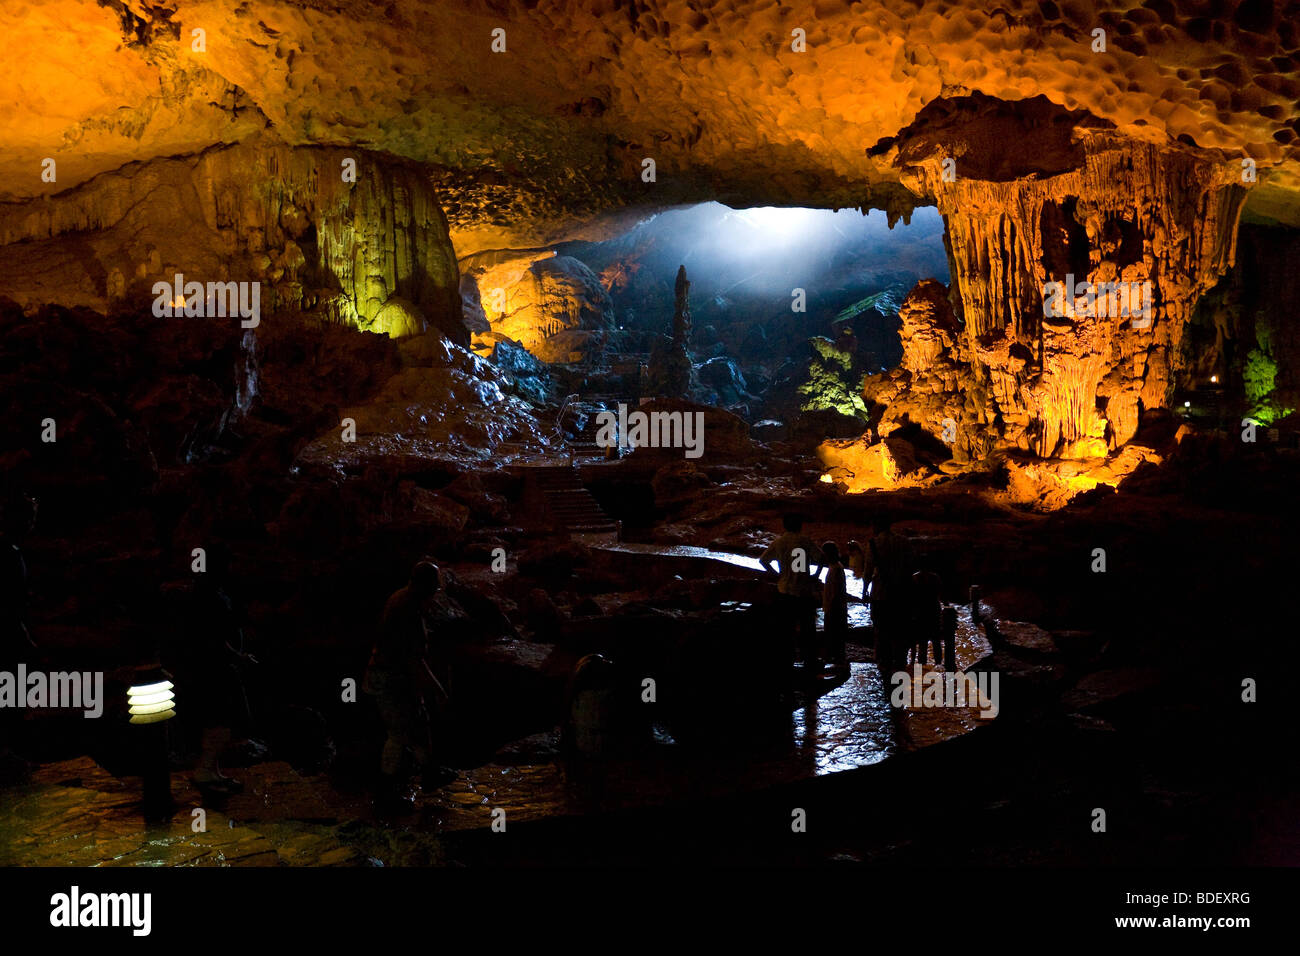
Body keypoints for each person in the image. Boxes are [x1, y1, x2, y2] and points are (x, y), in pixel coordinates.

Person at [363, 560, 456, 811]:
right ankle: (385, 793)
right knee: (398, 734)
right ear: (426, 586)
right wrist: (437, 689)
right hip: (389, 679)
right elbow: (413, 659)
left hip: (394, 676)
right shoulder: (407, 609)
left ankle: (429, 772)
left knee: (418, 722)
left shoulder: (403, 598)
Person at [183, 543, 256, 796]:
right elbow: (212, 637)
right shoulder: (208, 595)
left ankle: (212, 771)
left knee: (218, 721)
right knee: (222, 721)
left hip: (213, 666)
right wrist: (238, 657)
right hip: (215, 669)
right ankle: (205, 770)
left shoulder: (210, 590)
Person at [0, 493, 38, 772]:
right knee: (10, 692)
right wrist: (23, 634)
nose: (31, 524)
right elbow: (9, 603)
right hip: (8, 635)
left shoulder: (11, 551)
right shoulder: (8, 554)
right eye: (27, 517)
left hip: (11, 632)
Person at [760, 514, 824, 668]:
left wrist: (777, 575)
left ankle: (786, 660)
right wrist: (815, 575)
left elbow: (763, 560)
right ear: (800, 525)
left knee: (786, 628)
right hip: (803, 591)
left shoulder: (779, 542)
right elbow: (821, 558)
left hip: (785, 591)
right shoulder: (805, 541)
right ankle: (809, 660)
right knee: (807, 628)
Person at [867, 518, 915, 679]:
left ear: (877, 525)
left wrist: (864, 591)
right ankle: (900, 663)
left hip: (880, 593)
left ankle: (885, 663)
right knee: (900, 629)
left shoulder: (874, 544)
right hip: (901, 593)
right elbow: (910, 565)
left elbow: (868, 570)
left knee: (881, 629)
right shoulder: (904, 542)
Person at [821, 542, 849, 673]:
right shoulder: (836, 567)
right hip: (835, 607)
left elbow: (835, 591)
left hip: (834, 608)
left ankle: (838, 664)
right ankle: (838, 663)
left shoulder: (836, 569)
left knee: (835, 637)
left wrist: (830, 607)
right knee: (836, 637)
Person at [909, 568, 943, 667]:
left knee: (922, 642)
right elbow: (939, 593)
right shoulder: (935, 578)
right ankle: (938, 665)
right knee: (936, 641)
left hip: (921, 612)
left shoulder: (914, 578)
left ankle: (922, 667)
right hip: (933, 611)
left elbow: (911, 596)